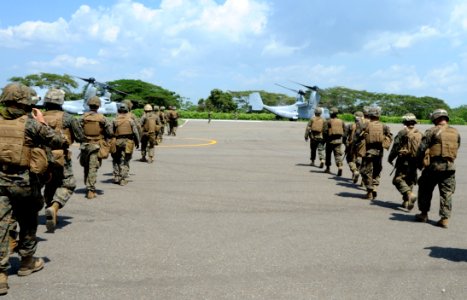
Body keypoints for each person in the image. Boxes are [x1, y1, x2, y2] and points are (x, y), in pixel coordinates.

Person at [0, 83, 69, 295]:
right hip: (25, 182)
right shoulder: (31, 124)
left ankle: (1, 274)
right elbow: (60, 141)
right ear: (25, 103)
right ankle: (27, 262)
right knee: (28, 221)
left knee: (1, 225)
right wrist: (42, 122)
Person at [42, 88, 84, 232]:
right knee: (68, 184)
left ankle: (51, 211)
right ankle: (54, 206)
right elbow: (80, 136)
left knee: (49, 184)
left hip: (38, 157)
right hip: (60, 157)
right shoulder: (68, 118)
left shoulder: (37, 116)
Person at [414, 109, 460, 228]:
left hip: (433, 167)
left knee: (425, 189)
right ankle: (444, 219)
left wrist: (418, 164)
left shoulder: (432, 131)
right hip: (449, 167)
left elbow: (421, 148)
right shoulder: (455, 132)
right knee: (447, 193)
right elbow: (457, 146)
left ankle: (424, 214)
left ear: (435, 118)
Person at [79, 96, 113, 199]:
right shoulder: (102, 118)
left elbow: (78, 131)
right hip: (96, 145)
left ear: (89, 105)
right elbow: (110, 132)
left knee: (86, 166)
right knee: (93, 167)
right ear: (98, 106)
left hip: (85, 146)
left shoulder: (83, 117)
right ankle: (91, 190)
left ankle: (87, 184)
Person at [387, 113, 423, 210]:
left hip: (404, 160)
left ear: (405, 122)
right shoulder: (419, 133)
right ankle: (406, 202)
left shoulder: (402, 132)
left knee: (397, 180)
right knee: (410, 180)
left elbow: (396, 147)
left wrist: (390, 158)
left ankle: (409, 194)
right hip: (415, 161)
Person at [356, 106, 392, 200]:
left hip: (368, 151)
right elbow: (389, 137)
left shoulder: (364, 125)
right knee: (377, 169)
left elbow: (357, 136)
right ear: (379, 115)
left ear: (370, 115)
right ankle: (375, 186)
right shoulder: (384, 126)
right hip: (379, 152)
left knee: (365, 170)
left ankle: (369, 191)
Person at [111, 103, 140, 185]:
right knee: (125, 160)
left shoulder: (114, 120)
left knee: (116, 159)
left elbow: (110, 132)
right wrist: (137, 142)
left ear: (118, 110)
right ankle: (122, 178)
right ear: (127, 110)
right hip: (128, 142)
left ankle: (116, 176)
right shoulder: (131, 120)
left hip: (117, 141)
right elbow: (135, 132)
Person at [324, 107, 346, 175]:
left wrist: (325, 139)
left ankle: (328, 168)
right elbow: (345, 131)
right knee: (337, 155)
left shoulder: (328, 121)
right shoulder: (341, 121)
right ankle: (340, 166)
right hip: (339, 141)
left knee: (328, 155)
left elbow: (325, 131)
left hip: (329, 141)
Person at [344, 111, 364, 182]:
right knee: (360, 160)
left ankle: (355, 171)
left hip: (351, 145)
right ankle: (361, 177)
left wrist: (346, 144)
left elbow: (344, 137)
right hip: (362, 146)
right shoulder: (365, 126)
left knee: (350, 160)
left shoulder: (350, 125)